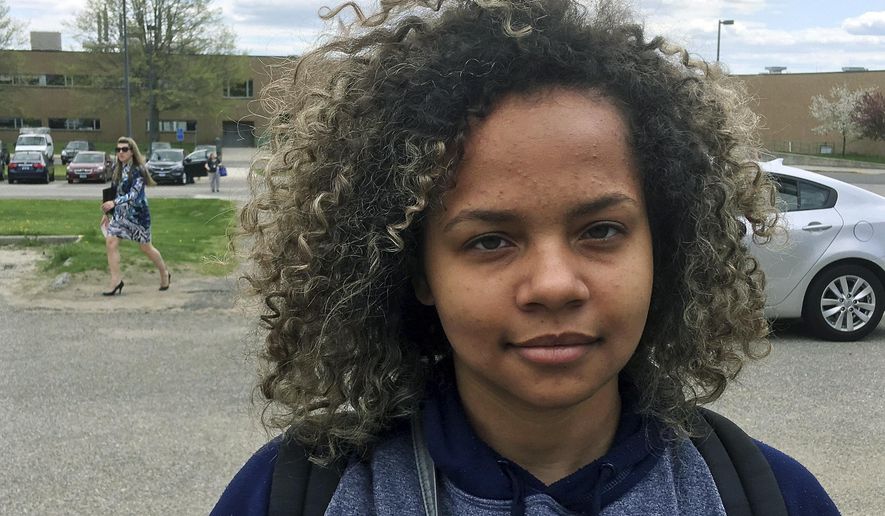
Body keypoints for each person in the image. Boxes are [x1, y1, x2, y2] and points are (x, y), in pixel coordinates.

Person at [213, 0, 839, 514]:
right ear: (419, 270)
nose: (554, 285)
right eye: (490, 240)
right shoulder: (293, 495)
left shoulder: (769, 498)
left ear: (663, 247)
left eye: (600, 231)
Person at [100, 136, 171, 295]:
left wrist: (114, 203)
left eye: (124, 149)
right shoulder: (117, 169)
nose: (121, 152)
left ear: (132, 151)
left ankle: (164, 273)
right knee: (110, 242)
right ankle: (116, 281)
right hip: (120, 215)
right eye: (118, 149)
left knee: (146, 248)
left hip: (138, 216)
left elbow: (134, 194)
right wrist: (108, 212)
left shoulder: (139, 169)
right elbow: (113, 192)